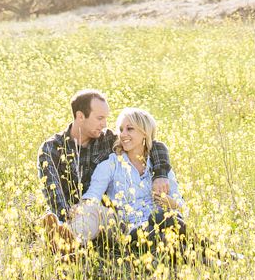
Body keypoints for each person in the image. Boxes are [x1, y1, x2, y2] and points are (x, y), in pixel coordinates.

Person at [37, 88, 170, 248]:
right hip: (74, 215)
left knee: (92, 212)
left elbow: (151, 144)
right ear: (81, 116)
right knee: (83, 216)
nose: (105, 124)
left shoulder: (107, 139)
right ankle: (68, 241)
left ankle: (66, 244)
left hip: (106, 217)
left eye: (105, 118)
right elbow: (54, 195)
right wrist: (68, 215)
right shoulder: (52, 149)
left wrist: (161, 174)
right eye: (100, 118)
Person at [82, 107, 188, 257]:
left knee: (160, 216)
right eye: (121, 129)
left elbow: (182, 207)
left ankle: (211, 254)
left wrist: (172, 204)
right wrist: (82, 208)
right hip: (134, 231)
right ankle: (208, 257)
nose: (123, 134)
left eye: (129, 129)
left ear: (145, 133)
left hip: (165, 223)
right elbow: (93, 195)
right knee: (162, 237)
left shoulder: (159, 168)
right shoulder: (111, 165)